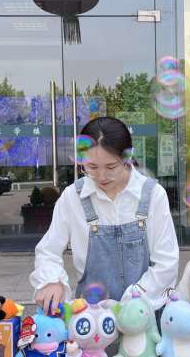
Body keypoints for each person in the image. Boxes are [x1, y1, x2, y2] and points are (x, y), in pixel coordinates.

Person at [30, 116, 179, 314]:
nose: (101, 176)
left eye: (111, 167)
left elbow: (166, 263)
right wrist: (51, 280)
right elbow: (48, 251)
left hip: (143, 316)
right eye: (91, 167)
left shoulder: (153, 195)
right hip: (91, 319)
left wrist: (128, 306)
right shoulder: (73, 197)